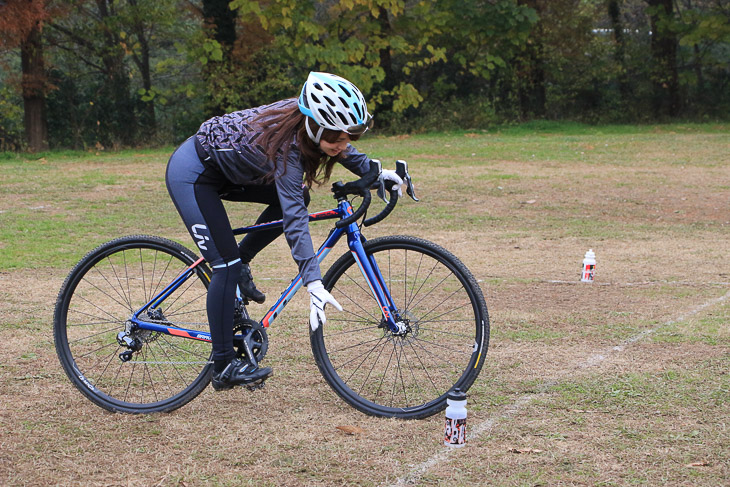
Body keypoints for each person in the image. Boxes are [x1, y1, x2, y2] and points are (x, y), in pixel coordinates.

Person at [165, 72, 403, 390]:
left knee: (286, 211)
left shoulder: (309, 121)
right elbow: (294, 221)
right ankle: (222, 366)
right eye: (337, 138)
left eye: (350, 138)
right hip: (194, 174)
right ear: (315, 127)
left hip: (228, 169)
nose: (344, 145)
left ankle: (243, 263)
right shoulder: (288, 150)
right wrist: (314, 281)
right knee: (225, 265)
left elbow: (340, 150)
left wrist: (377, 173)